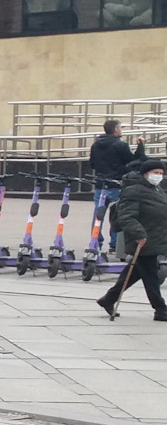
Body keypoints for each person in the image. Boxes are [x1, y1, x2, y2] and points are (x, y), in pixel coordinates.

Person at [105, 157, 167, 320]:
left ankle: (108, 299)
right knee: (151, 276)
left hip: (154, 238)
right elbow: (127, 216)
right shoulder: (133, 191)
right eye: (155, 173)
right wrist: (139, 234)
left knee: (135, 273)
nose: (159, 176)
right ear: (146, 174)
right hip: (142, 240)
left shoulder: (156, 190)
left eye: (161, 173)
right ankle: (161, 309)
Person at [91, 118, 143, 253]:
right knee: (118, 214)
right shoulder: (120, 145)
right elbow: (132, 161)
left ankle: (95, 243)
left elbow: (92, 164)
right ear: (115, 130)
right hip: (116, 183)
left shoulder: (96, 145)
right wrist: (140, 147)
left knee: (98, 214)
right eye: (120, 128)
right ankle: (115, 243)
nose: (121, 130)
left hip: (100, 184)